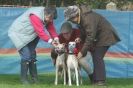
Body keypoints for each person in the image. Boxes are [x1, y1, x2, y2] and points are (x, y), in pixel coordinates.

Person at [64, 5, 121, 86]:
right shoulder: (82, 17)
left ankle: (101, 81)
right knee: (96, 56)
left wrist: (82, 52)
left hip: (106, 36)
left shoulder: (88, 19)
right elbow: (84, 30)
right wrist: (80, 37)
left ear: (76, 15)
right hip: (99, 36)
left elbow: (90, 37)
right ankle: (96, 80)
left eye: (71, 19)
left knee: (98, 56)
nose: (71, 21)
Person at [8, 6, 58, 84]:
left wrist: (56, 38)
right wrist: (51, 41)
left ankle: (35, 79)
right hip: (18, 33)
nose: (51, 20)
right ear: (46, 14)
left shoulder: (48, 15)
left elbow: (51, 29)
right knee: (26, 55)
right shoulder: (35, 16)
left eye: (52, 19)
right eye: (50, 18)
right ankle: (24, 79)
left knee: (32, 55)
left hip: (30, 34)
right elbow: (40, 32)